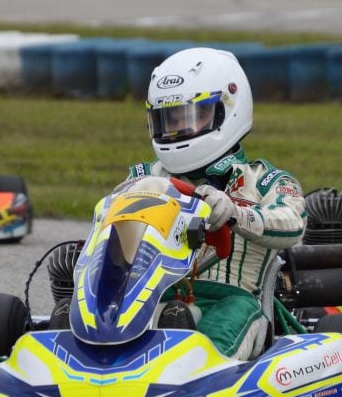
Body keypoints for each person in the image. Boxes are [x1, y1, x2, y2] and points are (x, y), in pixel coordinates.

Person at [124, 47, 306, 360]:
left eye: (190, 115)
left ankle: (194, 370)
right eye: (169, 119)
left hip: (234, 298)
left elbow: (293, 224)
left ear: (229, 109)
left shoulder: (263, 180)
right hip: (155, 294)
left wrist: (237, 213)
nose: (178, 128)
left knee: (219, 331)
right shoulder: (146, 176)